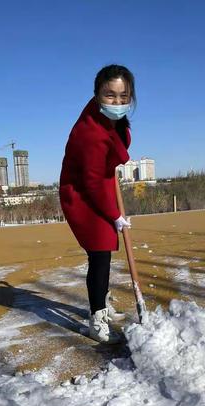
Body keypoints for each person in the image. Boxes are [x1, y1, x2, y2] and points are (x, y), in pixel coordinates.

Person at [59, 64, 136, 344]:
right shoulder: (89, 133)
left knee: (105, 251)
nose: (117, 102)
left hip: (99, 186)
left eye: (123, 95)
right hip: (81, 195)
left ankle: (102, 301)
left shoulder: (108, 119)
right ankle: (96, 318)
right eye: (110, 95)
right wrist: (115, 215)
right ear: (97, 94)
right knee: (100, 253)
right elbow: (90, 182)